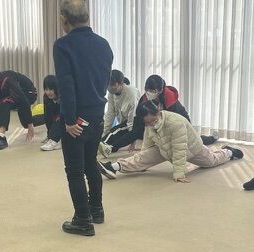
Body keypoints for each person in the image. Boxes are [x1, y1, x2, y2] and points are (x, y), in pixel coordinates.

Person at [52, 0, 113, 237]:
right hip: (97, 114)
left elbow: (66, 86)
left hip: (76, 118)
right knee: (90, 163)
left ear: (64, 19)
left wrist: (69, 120)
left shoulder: (63, 46)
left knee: (75, 170)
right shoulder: (104, 44)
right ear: (87, 17)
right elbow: (102, 80)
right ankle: (96, 209)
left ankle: (82, 220)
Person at [98, 101, 242, 183]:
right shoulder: (149, 124)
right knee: (141, 158)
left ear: (158, 112)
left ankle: (229, 151)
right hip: (164, 148)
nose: (151, 124)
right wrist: (143, 162)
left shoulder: (175, 122)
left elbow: (180, 149)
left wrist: (179, 173)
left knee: (212, 161)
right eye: (147, 123)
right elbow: (148, 141)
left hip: (192, 149)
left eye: (153, 121)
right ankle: (113, 167)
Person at [98, 74, 216, 158]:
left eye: (153, 91)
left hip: (176, 123)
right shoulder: (144, 98)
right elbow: (137, 121)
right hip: (153, 123)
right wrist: (133, 140)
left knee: (191, 141)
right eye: (147, 90)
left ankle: (212, 138)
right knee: (134, 131)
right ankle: (111, 147)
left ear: (160, 90)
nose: (150, 93)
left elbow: (176, 121)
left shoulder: (169, 98)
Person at [102, 70, 140, 144]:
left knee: (113, 135)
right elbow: (110, 113)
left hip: (134, 123)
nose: (109, 87)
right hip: (123, 123)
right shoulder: (112, 92)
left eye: (112, 84)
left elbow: (132, 121)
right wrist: (104, 134)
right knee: (107, 137)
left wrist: (132, 142)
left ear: (121, 83)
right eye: (108, 84)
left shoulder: (131, 96)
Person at [39, 75, 64, 152]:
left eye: (51, 89)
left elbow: (63, 114)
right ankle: (51, 138)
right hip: (56, 116)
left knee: (59, 118)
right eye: (46, 89)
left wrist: (54, 137)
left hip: (67, 117)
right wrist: (49, 134)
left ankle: (56, 141)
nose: (48, 92)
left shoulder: (63, 96)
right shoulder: (46, 97)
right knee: (48, 116)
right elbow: (48, 116)